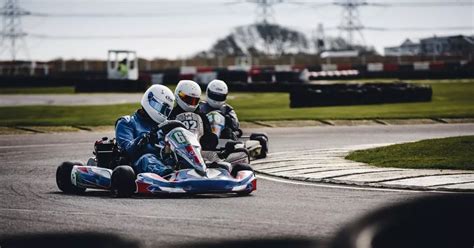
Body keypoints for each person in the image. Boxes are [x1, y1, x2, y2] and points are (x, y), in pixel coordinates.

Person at [115, 85, 175, 177]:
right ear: (150, 100)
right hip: (137, 164)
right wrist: (142, 139)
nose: (162, 113)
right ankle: (167, 176)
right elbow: (126, 150)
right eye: (160, 108)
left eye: (165, 111)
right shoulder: (127, 122)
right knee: (148, 158)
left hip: (163, 161)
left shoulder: (164, 126)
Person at [169, 80, 217, 150]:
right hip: (177, 153)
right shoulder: (171, 115)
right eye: (189, 100)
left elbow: (209, 138)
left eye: (194, 101)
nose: (191, 104)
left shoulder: (201, 116)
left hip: (199, 154)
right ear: (179, 95)